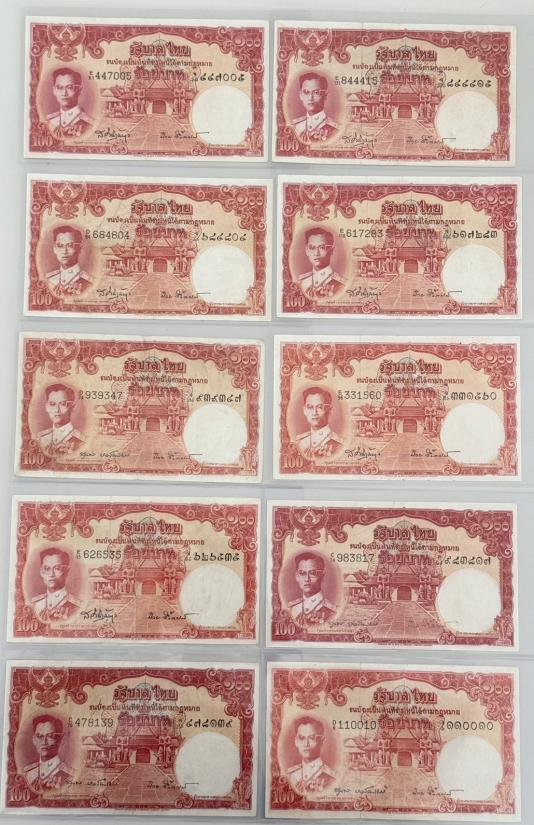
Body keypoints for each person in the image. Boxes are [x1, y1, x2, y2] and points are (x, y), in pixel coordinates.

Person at [286, 716, 336, 794]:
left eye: (312, 737)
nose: (306, 744)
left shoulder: (332, 778)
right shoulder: (290, 775)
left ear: (322, 740)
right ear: (296, 741)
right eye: (302, 738)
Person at [23, 714, 73, 790]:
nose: (44, 742)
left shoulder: (69, 775)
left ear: (60, 740)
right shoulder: (28, 773)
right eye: (39, 736)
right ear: (34, 740)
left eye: (50, 736)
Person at [31, 547, 80, 622]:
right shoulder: (34, 604)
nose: (51, 574)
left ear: (67, 571)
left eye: (57, 568)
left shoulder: (77, 607)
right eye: (47, 568)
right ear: (41, 571)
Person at [288, 551, 337, 625]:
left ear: (322, 575)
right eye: (302, 573)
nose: (307, 579)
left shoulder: (332, 612)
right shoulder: (291, 608)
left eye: (313, 573)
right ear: (297, 576)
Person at [295, 387, 343, 458]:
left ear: (329, 410)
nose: (314, 412)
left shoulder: (338, 445)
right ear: (304, 410)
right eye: (310, 407)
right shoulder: (299, 441)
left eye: (320, 407)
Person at [37, 383, 84, 455]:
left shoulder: (81, 441)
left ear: (72, 407)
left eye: (62, 404)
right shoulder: (40, 438)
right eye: (52, 404)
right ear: (47, 407)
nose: (57, 410)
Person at [297, 227, 345, 298]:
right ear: (307, 250)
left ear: (331, 250)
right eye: (312, 247)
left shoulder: (341, 285)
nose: (316, 253)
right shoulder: (300, 282)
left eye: (322, 247)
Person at [46, 67, 94, 137]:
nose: (64, 93)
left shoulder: (90, 125)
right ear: (54, 90)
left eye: (70, 87)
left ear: (79, 90)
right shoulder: (49, 121)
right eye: (59, 87)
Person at [292, 72, 339, 142]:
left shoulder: (335, 130)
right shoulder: (295, 126)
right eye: (306, 92)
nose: (310, 98)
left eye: (316, 92)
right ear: (301, 95)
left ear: (325, 96)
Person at [46, 225, 92, 295]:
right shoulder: (49, 279)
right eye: (60, 245)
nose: (64, 251)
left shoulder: (87, 283)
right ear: (54, 249)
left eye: (70, 245)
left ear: (79, 248)